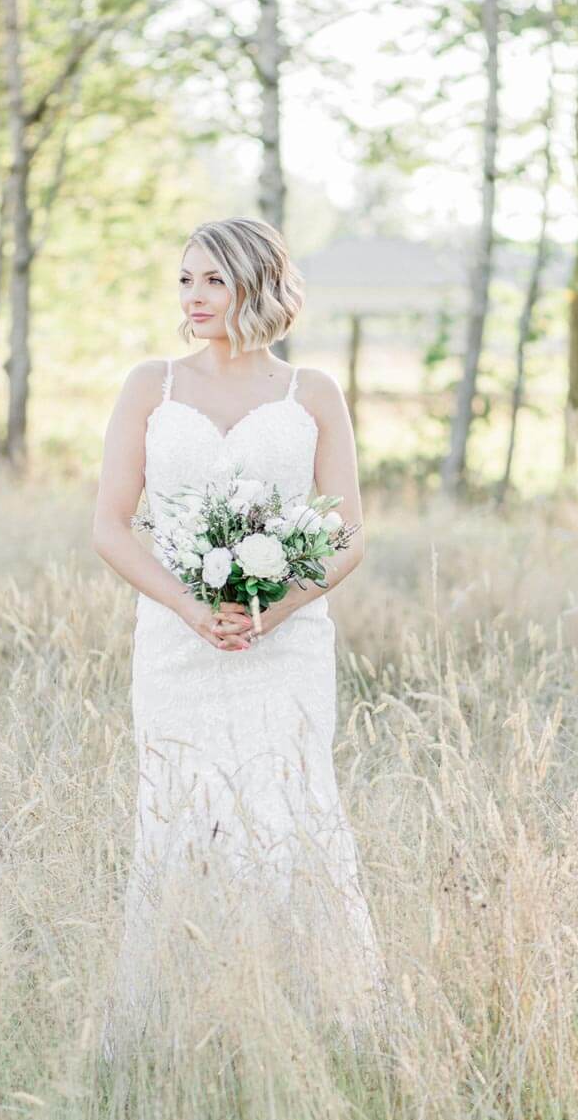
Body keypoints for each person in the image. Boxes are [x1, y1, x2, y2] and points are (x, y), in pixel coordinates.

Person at [92, 217, 388, 1061]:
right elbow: (113, 528)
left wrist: (276, 608)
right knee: (183, 816)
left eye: (213, 281)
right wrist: (191, 609)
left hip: (285, 646)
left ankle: (317, 1026)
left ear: (258, 284)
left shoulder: (312, 395)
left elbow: (350, 534)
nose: (193, 298)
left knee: (289, 811)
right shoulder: (152, 386)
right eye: (185, 280)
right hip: (177, 644)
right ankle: (174, 1027)